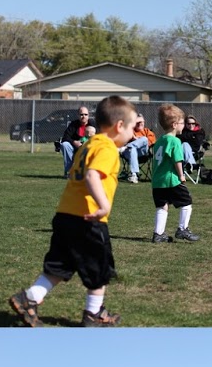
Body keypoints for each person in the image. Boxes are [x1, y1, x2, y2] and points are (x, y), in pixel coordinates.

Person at [10, 94, 135, 327]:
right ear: (119, 126)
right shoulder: (106, 148)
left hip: (66, 214)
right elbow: (91, 176)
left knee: (60, 264)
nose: (133, 133)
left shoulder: (90, 145)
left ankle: (29, 298)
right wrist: (103, 205)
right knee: (100, 268)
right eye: (132, 127)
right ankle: (94, 314)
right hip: (88, 218)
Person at [150, 105, 198, 243]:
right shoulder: (175, 141)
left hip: (158, 181)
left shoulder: (159, 141)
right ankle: (183, 229)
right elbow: (177, 160)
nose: (184, 125)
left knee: (162, 206)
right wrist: (181, 175)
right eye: (182, 122)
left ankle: (158, 234)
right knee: (187, 202)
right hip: (171, 180)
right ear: (174, 124)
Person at [56, 106, 94, 175]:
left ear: (88, 115)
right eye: (81, 114)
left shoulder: (94, 124)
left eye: (86, 114)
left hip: (90, 147)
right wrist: (74, 142)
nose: (83, 116)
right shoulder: (73, 125)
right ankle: (69, 170)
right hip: (75, 147)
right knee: (65, 144)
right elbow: (65, 137)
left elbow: (100, 137)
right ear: (78, 115)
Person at [119, 114, 154, 183]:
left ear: (144, 122)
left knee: (144, 139)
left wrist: (136, 139)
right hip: (128, 154)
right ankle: (134, 175)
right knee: (132, 149)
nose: (140, 124)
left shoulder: (148, 132)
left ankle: (128, 146)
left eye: (141, 122)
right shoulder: (129, 131)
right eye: (137, 122)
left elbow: (149, 142)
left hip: (142, 153)